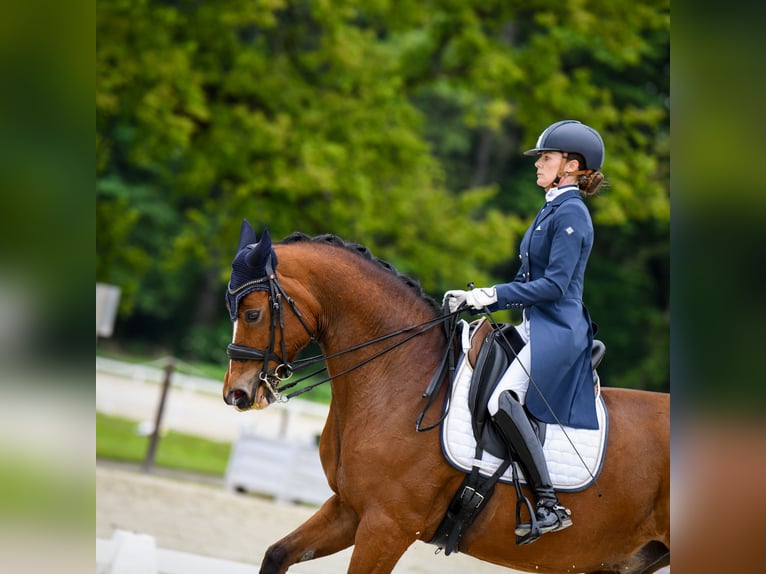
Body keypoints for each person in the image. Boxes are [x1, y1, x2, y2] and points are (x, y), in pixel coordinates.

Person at [443, 119, 606, 542]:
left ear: (571, 165)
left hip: (558, 331)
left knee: (503, 399)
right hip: (534, 325)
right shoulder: (551, 207)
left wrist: (491, 296)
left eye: (546, 158)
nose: (538, 165)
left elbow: (553, 285)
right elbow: (525, 277)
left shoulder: (572, 213)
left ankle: (549, 503)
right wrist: (473, 298)